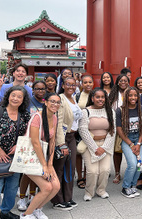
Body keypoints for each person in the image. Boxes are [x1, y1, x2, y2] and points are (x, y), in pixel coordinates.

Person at [0, 86, 31, 219]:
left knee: (11, 188)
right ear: (8, 96)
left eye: (19, 96)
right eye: (13, 95)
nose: (15, 98)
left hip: (15, 157)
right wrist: (0, 151)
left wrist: (18, 145)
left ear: (23, 100)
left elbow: (29, 133)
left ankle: (5, 212)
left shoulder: (25, 115)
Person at [21, 93, 61, 219]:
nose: (55, 104)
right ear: (46, 102)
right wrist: (44, 165)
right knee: (47, 187)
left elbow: (52, 141)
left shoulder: (54, 118)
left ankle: (37, 209)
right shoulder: (37, 117)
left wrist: (50, 164)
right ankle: (26, 214)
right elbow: (35, 142)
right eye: (52, 101)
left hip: (45, 157)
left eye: (58, 102)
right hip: (31, 157)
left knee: (56, 187)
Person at [78, 88, 116, 201]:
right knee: (92, 171)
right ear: (92, 98)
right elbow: (83, 130)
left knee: (105, 170)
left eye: (102, 97)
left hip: (105, 145)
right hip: (90, 145)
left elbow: (112, 131)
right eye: (97, 97)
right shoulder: (86, 111)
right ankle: (89, 192)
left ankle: (101, 190)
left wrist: (103, 148)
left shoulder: (111, 111)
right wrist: (95, 148)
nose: (100, 99)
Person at [51, 77, 82, 210]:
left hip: (72, 137)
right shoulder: (61, 99)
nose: (71, 87)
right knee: (59, 168)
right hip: (63, 138)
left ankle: (68, 197)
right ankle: (57, 199)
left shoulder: (74, 98)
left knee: (70, 167)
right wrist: (61, 143)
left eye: (73, 85)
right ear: (63, 85)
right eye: (68, 84)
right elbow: (59, 122)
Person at [17, 81, 47, 211]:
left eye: (42, 89)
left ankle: (32, 196)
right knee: (27, 172)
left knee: (37, 171)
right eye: (37, 89)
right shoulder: (27, 102)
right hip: (28, 140)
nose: (40, 91)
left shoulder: (47, 103)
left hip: (43, 141)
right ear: (32, 90)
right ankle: (22, 198)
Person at [116, 87, 142, 198]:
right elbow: (119, 129)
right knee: (133, 165)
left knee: (140, 164)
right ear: (126, 97)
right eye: (130, 95)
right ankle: (125, 187)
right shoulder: (120, 110)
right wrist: (131, 144)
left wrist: (138, 143)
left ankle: (133, 186)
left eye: (135, 95)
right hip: (127, 139)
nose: (133, 98)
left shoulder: (141, 109)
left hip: (139, 139)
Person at [109, 73, 130, 184]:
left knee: (130, 150)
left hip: (130, 126)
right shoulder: (113, 95)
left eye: (125, 80)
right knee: (117, 151)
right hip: (117, 126)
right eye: (121, 80)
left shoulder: (131, 93)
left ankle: (131, 171)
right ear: (117, 82)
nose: (123, 82)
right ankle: (117, 173)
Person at [75, 75, 94, 190]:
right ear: (81, 84)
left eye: (90, 82)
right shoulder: (77, 96)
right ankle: (80, 177)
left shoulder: (96, 95)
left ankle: (87, 176)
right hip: (79, 127)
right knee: (78, 152)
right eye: (85, 82)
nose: (88, 84)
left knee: (89, 152)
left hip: (92, 128)